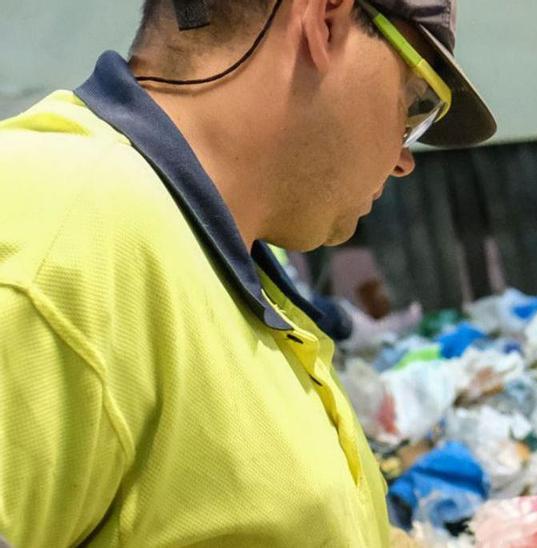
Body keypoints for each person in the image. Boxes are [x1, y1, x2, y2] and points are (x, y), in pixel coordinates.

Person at [0, 0, 495, 544]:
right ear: (322, 19)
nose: (405, 157)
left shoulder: (218, 253)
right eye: (417, 100)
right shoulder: (65, 230)